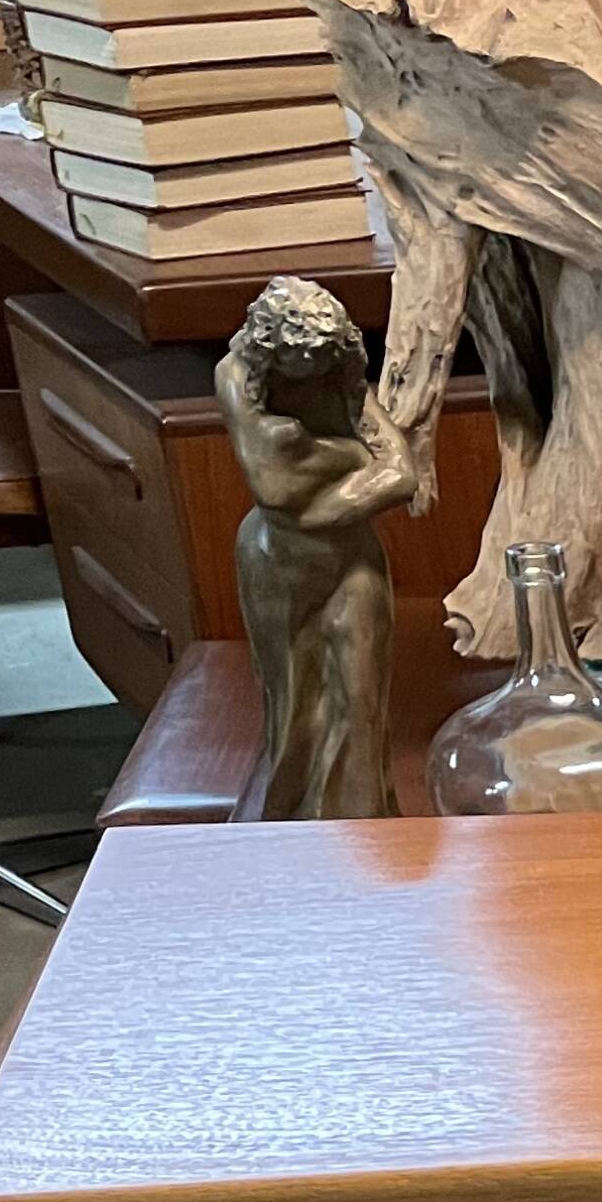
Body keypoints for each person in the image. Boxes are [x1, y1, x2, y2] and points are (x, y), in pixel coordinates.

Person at [214, 276, 396, 822]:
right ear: (271, 351)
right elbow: (271, 490)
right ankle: (288, 834)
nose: (312, 380)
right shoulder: (236, 375)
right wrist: (354, 459)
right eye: (298, 369)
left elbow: (403, 473)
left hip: (352, 558)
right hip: (277, 564)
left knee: (363, 698)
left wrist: (311, 470)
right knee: (297, 704)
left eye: (320, 366)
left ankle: (370, 834)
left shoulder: (342, 371)